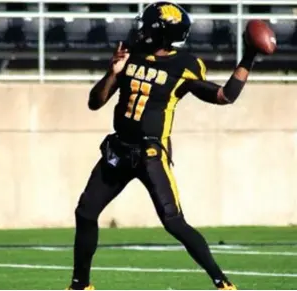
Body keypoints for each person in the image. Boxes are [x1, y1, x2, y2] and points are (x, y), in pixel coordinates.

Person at [67, 2, 263, 290]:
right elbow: (94, 103)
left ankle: (223, 283)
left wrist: (250, 54)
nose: (141, 29)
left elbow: (224, 95)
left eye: (148, 24)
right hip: (118, 151)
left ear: (160, 31)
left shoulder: (184, 65)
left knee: (174, 222)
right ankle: (80, 285)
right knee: (85, 212)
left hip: (150, 155)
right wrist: (113, 71)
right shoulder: (130, 53)